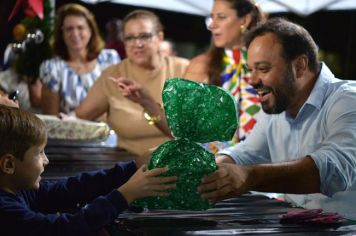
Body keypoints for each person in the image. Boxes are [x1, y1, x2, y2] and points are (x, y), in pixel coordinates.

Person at [198, 18, 356, 220]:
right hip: (300, 225)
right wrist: (216, 167)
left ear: (300, 65)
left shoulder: (349, 99)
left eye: (263, 69)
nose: (253, 81)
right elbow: (248, 153)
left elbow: (332, 169)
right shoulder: (279, 103)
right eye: (250, 70)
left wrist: (249, 176)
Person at [0, 104, 177, 236]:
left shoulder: (18, 188)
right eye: (39, 153)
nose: (47, 160)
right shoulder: (5, 211)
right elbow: (62, 229)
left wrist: (133, 167)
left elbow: (71, 189)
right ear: (9, 165)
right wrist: (125, 195)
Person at [75, 10, 189, 156]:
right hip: (129, 163)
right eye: (129, 38)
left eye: (144, 36)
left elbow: (195, 132)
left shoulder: (184, 69)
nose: (137, 44)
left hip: (179, 160)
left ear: (159, 38)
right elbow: (82, 115)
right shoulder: (113, 74)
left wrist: (147, 103)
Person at [184, 0, 266, 153]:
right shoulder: (199, 66)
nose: (212, 25)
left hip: (262, 163)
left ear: (245, 20)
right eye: (211, 17)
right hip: (214, 166)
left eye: (221, 17)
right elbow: (184, 128)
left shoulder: (269, 64)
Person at [40, 3, 120, 115]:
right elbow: (51, 120)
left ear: (91, 30)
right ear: (61, 33)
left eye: (80, 28)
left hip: (110, 130)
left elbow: (119, 104)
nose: (75, 33)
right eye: (69, 29)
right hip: (71, 131)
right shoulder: (52, 67)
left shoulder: (110, 58)